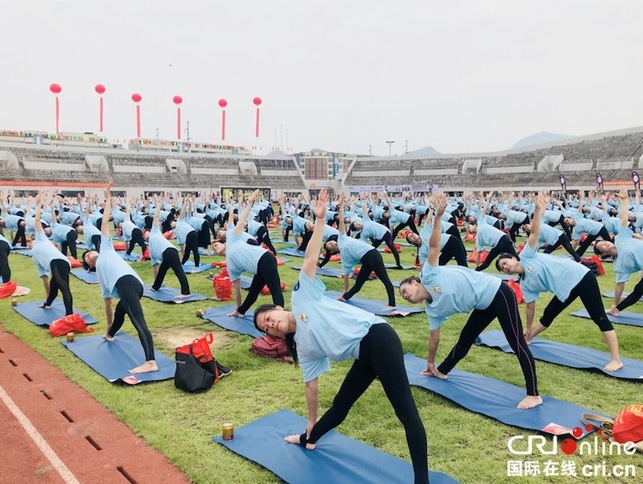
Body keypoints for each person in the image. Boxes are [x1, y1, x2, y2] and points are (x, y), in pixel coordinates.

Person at [253, 189, 429, 484]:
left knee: (406, 413)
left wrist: (320, 221)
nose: (271, 325)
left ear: (279, 309)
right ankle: (310, 438)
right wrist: (310, 422)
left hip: (379, 339)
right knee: (340, 405)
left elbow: (311, 257)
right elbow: (311, 385)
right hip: (364, 354)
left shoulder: (301, 297)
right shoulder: (303, 347)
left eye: (270, 318)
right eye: (266, 328)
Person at [398, 193, 541, 410]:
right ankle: (442, 370)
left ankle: (533, 394)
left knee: (516, 342)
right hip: (484, 303)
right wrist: (430, 363)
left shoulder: (428, 275)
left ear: (415, 282)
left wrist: (437, 218)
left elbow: (435, 247)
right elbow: (434, 338)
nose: (405, 295)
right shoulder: (432, 309)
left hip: (499, 293)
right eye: (403, 297)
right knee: (466, 337)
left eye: (405, 290)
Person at [496, 193, 622, 372]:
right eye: (502, 268)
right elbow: (530, 306)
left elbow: (535, 232)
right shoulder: (525, 284)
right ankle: (529, 337)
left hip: (581, 277)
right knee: (549, 313)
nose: (506, 267)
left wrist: (538, 210)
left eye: (505, 263)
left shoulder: (527, 255)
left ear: (513, 258)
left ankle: (616, 359)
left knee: (598, 316)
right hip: (565, 288)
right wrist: (528, 329)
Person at [82, 185, 157, 374]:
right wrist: (107, 325)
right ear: (89, 265)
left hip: (129, 282)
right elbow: (107, 302)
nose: (90, 254)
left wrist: (108, 199)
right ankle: (110, 333)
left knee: (138, 321)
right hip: (126, 287)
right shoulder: (99, 271)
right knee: (120, 312)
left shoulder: (106, 248)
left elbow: (104, 224)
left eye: (90, 252)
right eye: (87, 257)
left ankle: (150, 362)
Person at [213, 189, 284, 317]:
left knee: (275, 290)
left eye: (216, 244)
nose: (215, 247)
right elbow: (238, 289)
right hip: (259, 268)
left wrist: (248, 203)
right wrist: (237, 307)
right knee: (253, 292)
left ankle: (282, 317)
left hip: (265, 258)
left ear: (221, 242)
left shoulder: (232, 237)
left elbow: (239, 219)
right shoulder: (229, 265)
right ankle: (240, 311)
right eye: (214, 249)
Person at [324, 195, 397, 311]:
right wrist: (345, 290)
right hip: (367, 260)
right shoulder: (345, 257)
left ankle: (392, 304)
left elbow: (341, 222)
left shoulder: (342, 238)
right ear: (333, 251)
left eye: (330, 242)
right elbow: (346, 275)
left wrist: (341, 207)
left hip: (372, 254)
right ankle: (346, 297)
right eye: (329, 246)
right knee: (359, 282)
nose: (331, 243)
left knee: (385, 279)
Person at [593, 187, 643, 316]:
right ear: (603, 254)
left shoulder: (621, 237)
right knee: (639, 290)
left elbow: (624, 218)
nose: (606, 242)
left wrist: (624, 201)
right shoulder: (620, 266)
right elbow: (620, 285)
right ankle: (616, 309)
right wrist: (614, 304)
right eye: (602, 246)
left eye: (604, 241)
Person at [148, 196, 191, 297]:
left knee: (178, 271)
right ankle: (156, 286)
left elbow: (156, 217)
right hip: (166, 254)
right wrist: (154, 283)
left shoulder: (155, 231)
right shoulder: (150, 248)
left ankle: (186, 292)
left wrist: (158, 204)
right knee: (162, 270)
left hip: (170, 251)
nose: (145, 234)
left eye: (145, 233)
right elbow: (155, 267)